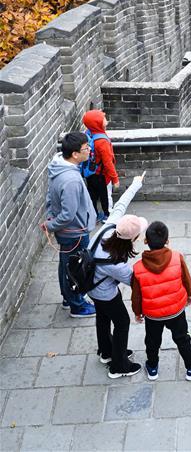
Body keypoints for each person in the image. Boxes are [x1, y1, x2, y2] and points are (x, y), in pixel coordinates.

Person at [132, 220, 191, 381]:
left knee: (152, 341)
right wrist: (189, 295)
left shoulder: (137, 268)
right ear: (167, 240)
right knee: (182, 338)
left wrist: (137, 312)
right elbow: (187, 280)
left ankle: (152, 367)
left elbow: (136, 295)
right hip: (176, 311)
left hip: (152, 315)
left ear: (146, 241)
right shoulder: (177, 258)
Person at [88, 174, 147, 379]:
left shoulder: (110, 227)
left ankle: (106, 351)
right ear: (133, 238)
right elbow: (135, 281)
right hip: (104, 293)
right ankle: (119, 366)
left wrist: (136, 183)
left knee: (103, 317)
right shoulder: (115, 263)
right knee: (122, 322)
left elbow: (121, 203)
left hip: (91, 286)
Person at [42, 132, 97, 318]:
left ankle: (68, 297)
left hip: (69, 232)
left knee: (66, 265)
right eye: (86, 148)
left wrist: (50, 218)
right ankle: (77, 305)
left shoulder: (58, 167)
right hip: (74, 233)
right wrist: (50, 225)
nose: (89, 150)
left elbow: (50, 198)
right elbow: (68, 215)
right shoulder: (71, 179)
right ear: (75, 154)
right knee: (75, 268)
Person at [82, 110, 119, 223]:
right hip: (102, 175)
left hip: (90, 173)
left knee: (92, 195)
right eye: (104, 118)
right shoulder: (102, 141)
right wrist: (115, 179)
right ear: (97, 123)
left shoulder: (88, 133)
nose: (106, 120)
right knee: (106, 195)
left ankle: (94, 215)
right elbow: (108, 163)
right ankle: (108, 215)